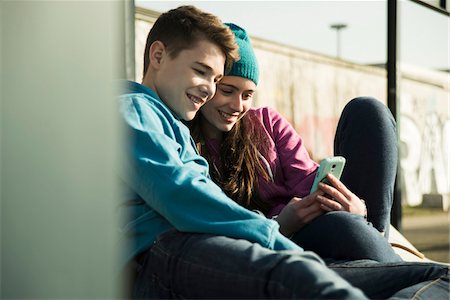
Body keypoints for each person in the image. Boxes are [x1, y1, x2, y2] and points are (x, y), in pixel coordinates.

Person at [119, 6, 448, 298]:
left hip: (227, 243)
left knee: (435, 273)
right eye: (207, 75)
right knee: (306, 273)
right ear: (158, 55)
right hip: (172, 251)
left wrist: (349, 207)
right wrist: (276, 235)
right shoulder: (134, 109)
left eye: (216, 79)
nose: (209, 89)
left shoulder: (176, 120)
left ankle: (377, 243)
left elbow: (303, 183)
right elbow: (184, 196)